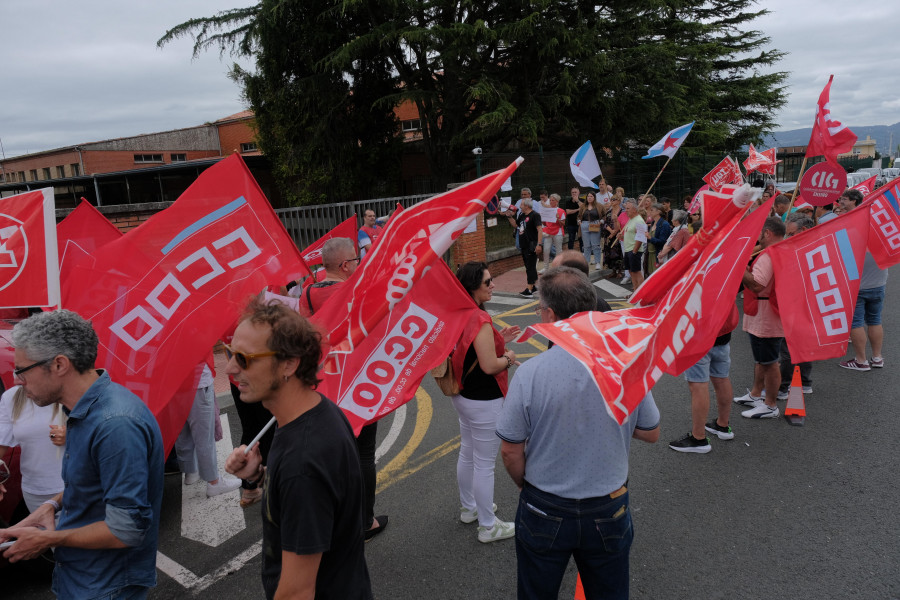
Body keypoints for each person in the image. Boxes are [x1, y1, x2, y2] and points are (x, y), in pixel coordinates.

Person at [496, 267, 660, 600]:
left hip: (544, 503)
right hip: (608, 503)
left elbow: (510, 450)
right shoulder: (626, 364)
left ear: (550, 314)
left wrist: (524, 485)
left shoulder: (530, 373)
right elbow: (651, 431)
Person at [1, 310, 164, 599]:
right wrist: (50, 505)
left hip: (106, 585)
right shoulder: (84, 409)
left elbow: (125, 529)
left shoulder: (114, 424)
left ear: (59, 364)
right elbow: (92, 480)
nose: (17, 381)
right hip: (85, 575)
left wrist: (47, 540)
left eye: (22, 370)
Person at [224, 299, 372, 599]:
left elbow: (296, 592)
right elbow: (310, 500)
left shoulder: (302, 462)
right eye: (230, 353)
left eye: (243, 358)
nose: (230, 368)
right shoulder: (311, 412)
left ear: (289, 364)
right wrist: (260, 476)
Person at [267, 237, 388, 540]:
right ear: (346, 264)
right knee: (362, 456)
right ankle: (364, 521)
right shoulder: (358, 290)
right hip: (360, 381)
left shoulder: (307, 294)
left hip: (325, 383)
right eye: (356, 260)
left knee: (333, 453)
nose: (359, 264)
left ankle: (333, 516)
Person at [450, 262, 520, 543]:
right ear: (472, 287)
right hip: (483, 400)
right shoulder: (479, 318)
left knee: (468, 453)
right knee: (483, 464)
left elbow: (471, 352)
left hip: (463, 396)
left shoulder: (459, 312)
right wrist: (510, 357)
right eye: (488, 283)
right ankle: (488, 527)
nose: (493, 286)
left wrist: (498, 340)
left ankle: (470, 508)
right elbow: (491, 365)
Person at [733, 217, 787, 419]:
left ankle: (770, 404)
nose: (757, 238)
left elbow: (757, 284)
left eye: (759, 233)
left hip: (766, 315)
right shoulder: (777, 251)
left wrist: (739, 266)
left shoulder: (769, 254)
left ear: (767, 233)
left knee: (770, 361)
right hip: (762, 312)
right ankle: (756, 394)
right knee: (762, 359)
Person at [669, 302, 738, 453]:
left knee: (698, 385)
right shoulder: (727, 276)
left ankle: (698, 438)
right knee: (722, 378)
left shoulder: (698, 276)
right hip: (723, 329)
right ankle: (723, 425)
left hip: (698, 332)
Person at [837, 189, 888, 371]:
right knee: (875, 320)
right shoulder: (880, 229)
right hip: (879, 281)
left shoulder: (848, 228)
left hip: (856, 284)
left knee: (856, 322)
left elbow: (842, 256)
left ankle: (861, 360)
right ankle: (877, 357)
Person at [174, 363, 242, 497]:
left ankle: (191, 471)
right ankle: (214, 482)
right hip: (197, 380)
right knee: (204, 436)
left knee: (183, 431)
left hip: (174, 382)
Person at [0, 385, 65, 513]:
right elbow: (1, 442)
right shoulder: (11, 397)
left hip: (71, 489)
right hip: (33, 491)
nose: (15, 379)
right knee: (43, 532)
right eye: (16, 370)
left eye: (21, 370)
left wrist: (72, 435)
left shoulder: (70, 391)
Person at [777, 215, 816, 397]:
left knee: (790, 346)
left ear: (804, 231)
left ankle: (783, 386)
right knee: (801, 344)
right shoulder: (816, 245)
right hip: (805, 303)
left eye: (791, 233)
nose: (787, 237)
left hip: (801, 304)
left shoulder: (807, 249)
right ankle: (805, 382)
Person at [506, 197, 542, 298]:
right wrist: (509, 217)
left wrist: (539, 244)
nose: (519, 206)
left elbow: (540, 230)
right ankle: (533, 286)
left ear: (526, 206)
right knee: (529, 266)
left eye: (521, 204)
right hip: (524, 245)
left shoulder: (535, 215)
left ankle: (529, 290)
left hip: (532, 245)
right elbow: (516, 225)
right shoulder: (522, 215)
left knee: (530, 267)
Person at [622, 198, 648, 291]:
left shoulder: (639, 220)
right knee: (631, 271)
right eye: (626, 208)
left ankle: (641, 291)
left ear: (634, 210)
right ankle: (635, 289)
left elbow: (641, 237)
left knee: (636, 271)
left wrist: (634, 251)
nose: (626, 210)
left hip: (634, 250)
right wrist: (621, 236)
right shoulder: (630, 220)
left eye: (628, 208)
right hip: (628, 249)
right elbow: (629, 235)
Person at [540, 193, 566, 271]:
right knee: (546, 250)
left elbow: (563, 224)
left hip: (558, 232)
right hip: (549, 232)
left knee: (558, 250)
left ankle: (558, 267)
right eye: (550, 200)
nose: (551, 202)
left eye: (553, 200)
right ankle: (545, 268)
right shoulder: (547, 210)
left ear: (557, 201)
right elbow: (545, 223)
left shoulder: (561, 211)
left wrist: (558, 219)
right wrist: (543, 219)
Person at [645, 203, 671, 275]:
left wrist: (650, 237)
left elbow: (663, 241)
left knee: (658, 275)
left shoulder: (664, 224)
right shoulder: (653, 223)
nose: (650, 212)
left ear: (658, 212)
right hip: (651, 253)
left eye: (652, 210)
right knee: (651, 274)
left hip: (658, 254)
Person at [579, 191, 604, 269]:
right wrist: (580, 223)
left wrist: (600, 222)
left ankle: (597, 262)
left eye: (591, 196)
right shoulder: (583, 206)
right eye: (588, 196)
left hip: (595, 224)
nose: (589, 198)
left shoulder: (599, 206)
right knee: (586, 245)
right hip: (585, 225)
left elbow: (604, 215)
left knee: (595, 245)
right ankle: (586, 262)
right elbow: (579, 216)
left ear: (594, 197)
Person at [602, 195, 623, 277]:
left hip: (618, 234)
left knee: (618, 252)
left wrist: (614, 232)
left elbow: (622, 223)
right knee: (610, 252)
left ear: (619, 201)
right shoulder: (608, 212)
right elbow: (605, 223)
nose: (612, 201)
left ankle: (620, 271)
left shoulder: (622, 212)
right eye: (611, 200)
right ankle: (613, 271)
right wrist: (611, 232)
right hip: (609, 235)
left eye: (614, 199)